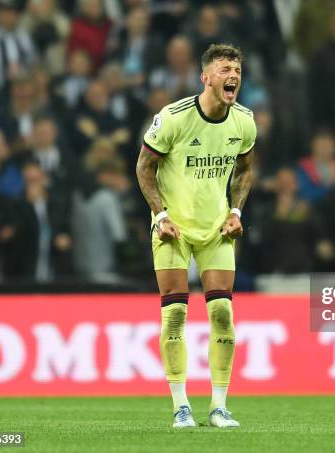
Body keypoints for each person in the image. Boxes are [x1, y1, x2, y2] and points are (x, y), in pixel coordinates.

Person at [135, 44, 256, 428]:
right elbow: (143, 168)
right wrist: (161, 215)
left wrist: (236, 211)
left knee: (222, 311)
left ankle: (219, 406)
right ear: (205, 77)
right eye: (224, 69)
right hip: (174, 229)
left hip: (216, 227)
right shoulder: (174, 118)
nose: (232, 75)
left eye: (236, 69)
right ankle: (180, 406)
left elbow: (245, 169)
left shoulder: (244, 122)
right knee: (175, 315)